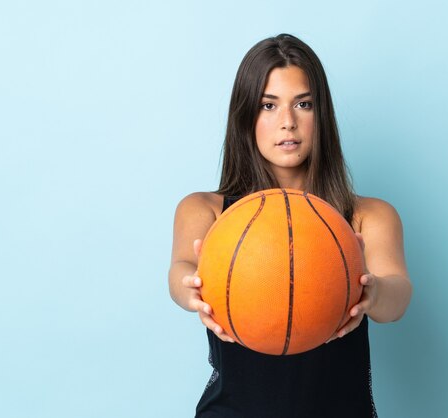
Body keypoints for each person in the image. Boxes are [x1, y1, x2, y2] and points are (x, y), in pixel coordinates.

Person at [168, 33, 412, 418]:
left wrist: (372, 289)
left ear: (322, 114)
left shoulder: (367, 216)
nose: (288, 122)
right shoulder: (208, 212)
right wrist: (192, 289)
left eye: (303, 104)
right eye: (268, 105)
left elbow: (397, 296)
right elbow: (180, 269)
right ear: (246, 116)